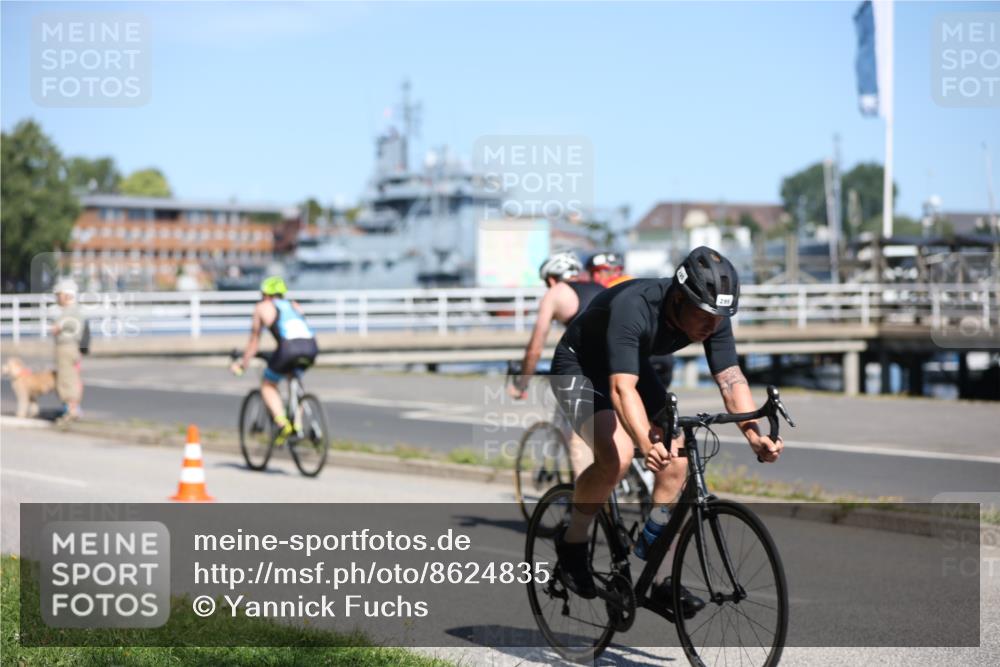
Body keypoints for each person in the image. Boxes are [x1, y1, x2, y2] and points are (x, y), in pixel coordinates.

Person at [549, 246, 783, 610]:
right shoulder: (635, 305)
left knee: (677, 462)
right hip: (578, 368)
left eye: (721, 316)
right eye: (705, 314)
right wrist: (645, 441)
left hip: (631, 366)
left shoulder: (714, 317)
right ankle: (573, 542)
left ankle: (651, 574)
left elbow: (730, 378)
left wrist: (754, 435)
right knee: (618, 456)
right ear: (679, 298)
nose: (713, 324)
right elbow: (620, 389)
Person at [509, 252, 604, 477]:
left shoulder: (556, 293)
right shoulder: (599, 287)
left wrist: (522, 383)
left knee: (577, 439)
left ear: (551, 279)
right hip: (620, 362)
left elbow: (535, 347)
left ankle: (588, 505)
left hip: (587, 366)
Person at [231, 276, 318, 444]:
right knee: (294, 379)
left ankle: (282, 423)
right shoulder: (294, 305)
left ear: (265, 294)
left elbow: (254, 341)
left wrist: (243, 363)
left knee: (268, 384)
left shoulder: (263, 307)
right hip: (311, 347)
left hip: (288, 349)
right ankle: (298, 425)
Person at [51, 278, 85, 425]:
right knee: (70, 377)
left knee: (67, 379)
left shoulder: (71, 312)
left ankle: (71, 411)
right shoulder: (73, 311)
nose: (57, 298)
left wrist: (57, 327)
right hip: (70, 347)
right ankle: (71, 409)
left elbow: (58, 328)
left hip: (67, 347)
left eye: (59, 295)